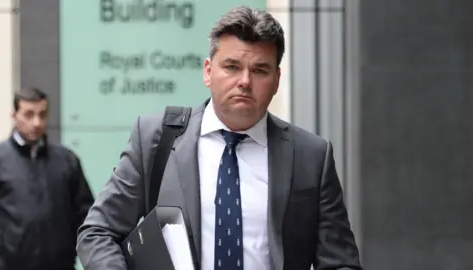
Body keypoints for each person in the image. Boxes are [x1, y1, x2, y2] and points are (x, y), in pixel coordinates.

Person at [76, 5, 362, 270]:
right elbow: (97, 232)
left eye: (259, 70)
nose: (245, 81)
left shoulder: (311, 155)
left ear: (276, 80)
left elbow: (340, 261)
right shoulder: (156, 138)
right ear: (208, 72)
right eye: (232, 66)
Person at [0, 87, 94, 270]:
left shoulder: (66, 160)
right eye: (29, 114)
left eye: (42, 114)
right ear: (14, 116)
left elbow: (85, 215)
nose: (37, 122)